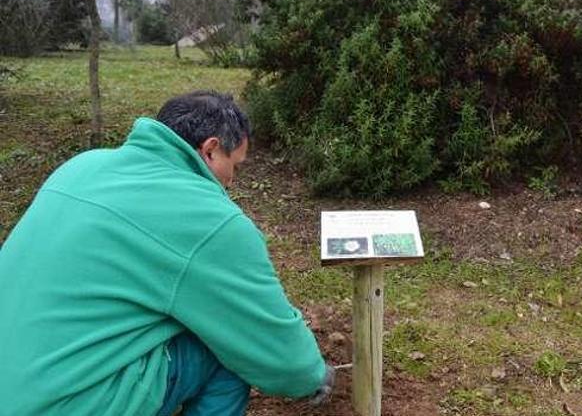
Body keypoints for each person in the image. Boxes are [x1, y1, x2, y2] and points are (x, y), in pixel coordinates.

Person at [0, 91, 335, 415]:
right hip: (71, 402)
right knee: (230, 355)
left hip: (14, 384)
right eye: (236, 165)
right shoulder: (209, 220)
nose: (233, 181)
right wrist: (312, 374)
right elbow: (275, 350)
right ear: (211, 151)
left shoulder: (82, 166)